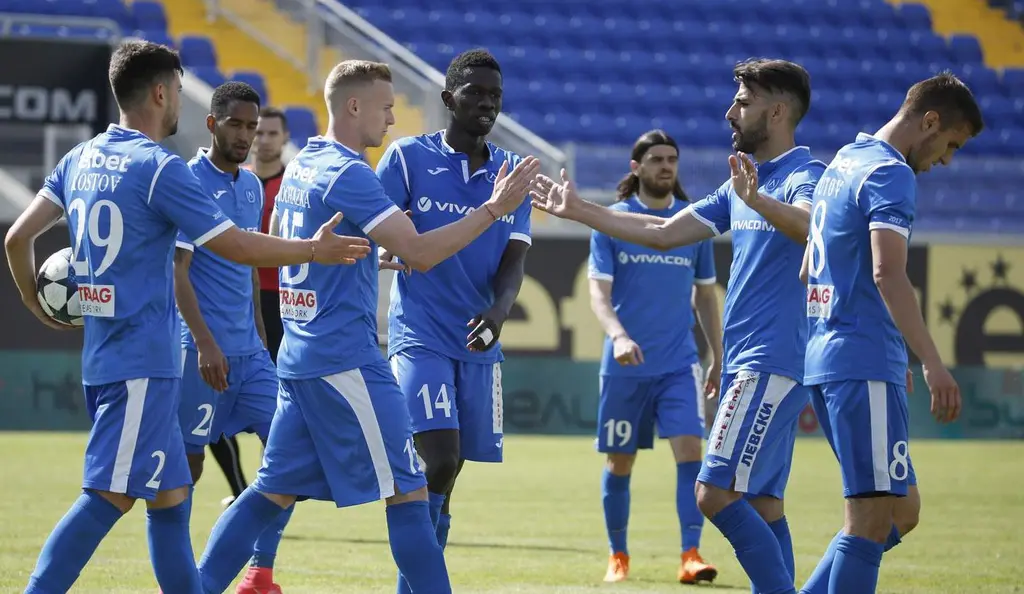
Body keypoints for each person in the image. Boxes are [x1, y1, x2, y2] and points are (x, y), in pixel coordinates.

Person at [3, 40, 369, 594]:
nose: (179, 100)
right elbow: (236, 247)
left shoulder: (80, 158)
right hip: (142, 366)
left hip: (111, 358)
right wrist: (313, 250)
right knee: (106, 498)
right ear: (160, 92)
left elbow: (17, 237)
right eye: (177, 88)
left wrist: (35, 301)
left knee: (172, 502)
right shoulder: (159, 168)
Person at [194, 59, 540, 594]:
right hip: (346, 361)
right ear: (354, 107)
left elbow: (304, 241)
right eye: (385, 107)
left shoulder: (304, 163)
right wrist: (493, 209)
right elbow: (420, 253)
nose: (392, 118)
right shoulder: (348, 172)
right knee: (410, 492)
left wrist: (366, 256)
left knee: (270, 492)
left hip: (299, 356)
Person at [531, 58, 824, 594]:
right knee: (764, 503)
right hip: (755, 361)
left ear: (777, 112)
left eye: (744, 102)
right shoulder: (743, 184)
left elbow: (810, 227)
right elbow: (663, 231)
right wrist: (580, 210)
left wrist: (757, 199)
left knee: (711, 492)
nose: (730, 112)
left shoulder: (805, 176)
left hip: (771, 359)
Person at [797, 72, 981, 594]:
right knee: (871, 520)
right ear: (930, 121)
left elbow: (808, 270)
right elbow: (888, 273)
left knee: (902, 509)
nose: (946, 160)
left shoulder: (843, 163)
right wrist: (931, 361)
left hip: (830, 356)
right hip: (861, 359)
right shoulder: (890, 173)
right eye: (951, 144)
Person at [373, 48, 533, 593]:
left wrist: (499, 312)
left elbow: (514, 258)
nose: (487, 103)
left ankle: (416, 582)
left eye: (495, 95)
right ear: (448, 98)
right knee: (438, 459)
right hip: (420, 334)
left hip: (479, 338)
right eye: (475, 92)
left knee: (450, 470)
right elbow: (375, 230)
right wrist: (384, 248)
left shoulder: (512, 174)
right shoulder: (406, 158)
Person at [587, 130, 723, 584]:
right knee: (619, 462)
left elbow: (706, 297)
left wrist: (718, 353)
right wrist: (619, 337)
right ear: (636, 167)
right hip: (625, 366)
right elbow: (598, 295)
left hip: (678, 364)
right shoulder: (613, 222)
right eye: (657, 159)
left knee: (691, 452)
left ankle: (691, 555)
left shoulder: (692, 224)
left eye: (672, 159)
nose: (666, 166)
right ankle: (618, 556)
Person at [173, 82, 293, 594]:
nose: (246, 136)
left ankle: (259, 573)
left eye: (252, 126)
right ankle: (179, 577)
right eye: (237, 125)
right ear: (212, 124)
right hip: (201, 353)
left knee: (288, 453)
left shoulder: (250, 188)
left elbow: (247, 270)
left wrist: (262, 339)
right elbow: (177, 271)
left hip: (251, 354)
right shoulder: (186, 181)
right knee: (187, 469)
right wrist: (203, 342)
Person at [207, 106, 292, 508]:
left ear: (285, 138)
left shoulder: (292, 184)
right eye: (260, 132)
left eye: (272, 132)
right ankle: (241, 488)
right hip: (238, 302)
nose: (264, 139)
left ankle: (264, 490)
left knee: (275, 407)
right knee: (215, 407)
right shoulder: (234, 183)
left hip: (285, 304)